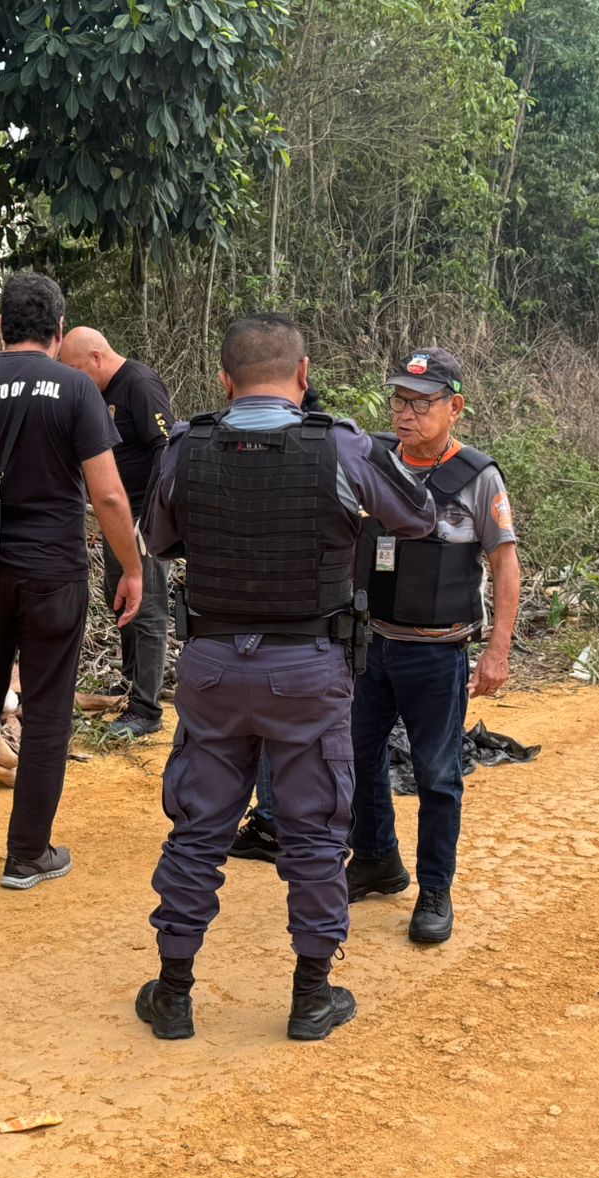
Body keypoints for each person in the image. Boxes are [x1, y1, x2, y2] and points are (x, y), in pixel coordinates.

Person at [135, 314, 436, 1042]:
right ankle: (311, 996)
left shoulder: (188, 445)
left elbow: (157, 539)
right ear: (303, 376)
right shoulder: (340, 444)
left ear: (223, 379)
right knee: (312, 831)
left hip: (211, 668)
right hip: (307, 668)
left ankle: (174, 994)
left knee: (198, 827)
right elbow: (418, 518)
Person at [0, 272, 144, 891]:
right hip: (51, 573)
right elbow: (110, 496)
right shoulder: (75, 388)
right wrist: (136, 570)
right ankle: (27, 855)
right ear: (59, 330)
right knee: (45, 714)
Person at [346, 348, 521, 945]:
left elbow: (504, 564)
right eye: (399, 401)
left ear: (455, 408)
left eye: (421, 404)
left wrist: (498, 649)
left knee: (436, 774)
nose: (405, 415)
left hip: (436, 653)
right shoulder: (371, 463)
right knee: (356, 757)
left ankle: (435, 891)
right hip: (371, 645)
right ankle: (375, 859)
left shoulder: (477, 478)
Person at [227, 384, 328, 863]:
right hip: (312, 627)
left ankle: (273, 822)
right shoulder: (330, 453)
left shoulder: (244, 454)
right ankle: (288, 823)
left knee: (269, 729)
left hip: (264, 623)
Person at [58, 327, 174, 737]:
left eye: (74, 369)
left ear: (96, 357)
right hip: (118, 515)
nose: (72, 378)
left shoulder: (138, 384)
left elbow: (167, 446)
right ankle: (129, 685)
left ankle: (147, 709)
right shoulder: (98, 394)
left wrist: (154, 515)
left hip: (144, 516)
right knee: (120, 598)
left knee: (148, 607)